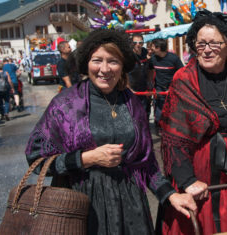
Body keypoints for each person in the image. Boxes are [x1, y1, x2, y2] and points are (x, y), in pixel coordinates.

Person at [25, 30, 197, 235]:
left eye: (113, 61)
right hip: (85, 208)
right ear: (86, 64)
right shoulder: (65, 104)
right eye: (97, 60)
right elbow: (37, 159)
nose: (105, 69)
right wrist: (86, 158)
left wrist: (170, 195)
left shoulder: (132, 104)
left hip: (132, 208)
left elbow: (146, 163)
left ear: (122, 66)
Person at [158, 10, 227, 234]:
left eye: (214, 44)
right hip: (198, 188)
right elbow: (172, 139)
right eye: (201, 44)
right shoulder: (183, 80)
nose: (206, 50)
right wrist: (187, 180)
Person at [148, 38, 184, 131]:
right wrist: (151, 84)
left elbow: (181, 73)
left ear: (158, 48)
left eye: (153, 46)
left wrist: (173, 87)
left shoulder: (174, 58)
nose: (151, 48)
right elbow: (150, 70)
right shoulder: (153, 59)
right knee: (159, 111)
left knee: (173, 110)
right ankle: (160, 127)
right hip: (159, 88)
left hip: (172, 88)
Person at [128, 34, 152, 117]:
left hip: (144, 87)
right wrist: (129, 89)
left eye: (140, 42)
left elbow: (150, 69)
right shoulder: (128, 55)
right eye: (135, 42)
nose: (138, 44)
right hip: (132, 88)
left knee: (145, 113)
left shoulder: (146, 52)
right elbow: (123, 74)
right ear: (132, 43)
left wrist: (150, 84)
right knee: (133, 114)